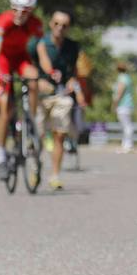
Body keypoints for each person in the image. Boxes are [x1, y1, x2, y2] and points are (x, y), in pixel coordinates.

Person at [0, 0, 44, 182]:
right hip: (3, 60)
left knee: (34, 78)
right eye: (17, 9)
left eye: (25, 11)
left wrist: (45, 70)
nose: (20, 14)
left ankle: (32, 118)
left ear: (31, 11)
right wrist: (1, 74)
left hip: (21, 59)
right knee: (6, 106)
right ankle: (1, 154)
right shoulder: (3, 22)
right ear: (12, 8)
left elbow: (40, 52)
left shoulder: (36, 25)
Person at [36, 10, 83, 190]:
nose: (60, 28)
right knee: (38, 135)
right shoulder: (41, 43)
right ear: (50, 24)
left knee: (60, 135)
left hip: (61, 95)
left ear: (68, 28)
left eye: (64, 25)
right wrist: (43, 78)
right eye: (57, 24)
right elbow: (38, 65)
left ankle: (55, 176)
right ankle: (34, 168)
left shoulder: (73, 47)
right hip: (41, 95)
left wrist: (73, 83)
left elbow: (74, 72)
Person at [111, 61, 136, 153]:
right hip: (127, 104)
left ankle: (127, 145)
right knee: (126, 125)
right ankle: (126, 145)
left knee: (126, 126)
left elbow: (119, 92)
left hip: (123, 104)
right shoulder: (127, 77)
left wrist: (115, 104)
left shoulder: (122, 78)